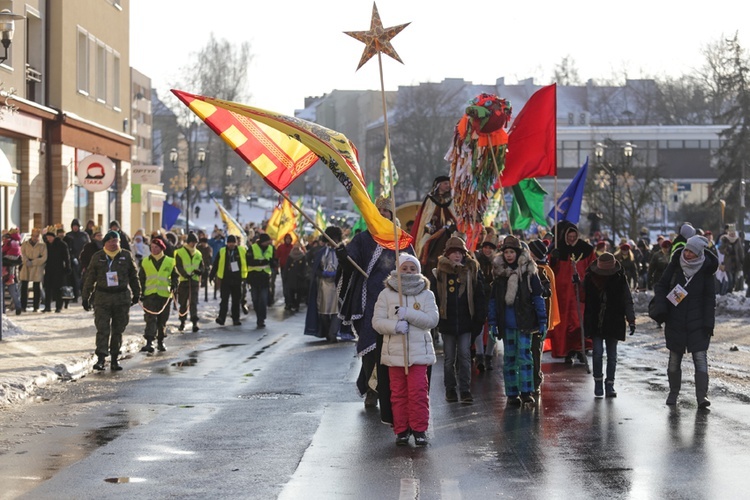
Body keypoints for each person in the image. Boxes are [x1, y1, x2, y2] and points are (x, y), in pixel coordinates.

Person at [337, 196, 415, 423]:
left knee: (394, 348)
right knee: (370, 347)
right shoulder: (363, 238)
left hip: (396, 299)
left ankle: (393, 392)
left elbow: (413, 266)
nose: (382, 214)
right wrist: (343, 257)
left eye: (386, 212)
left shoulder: (401, 239)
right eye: (378, 211)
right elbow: (351, 261)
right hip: (368, 300)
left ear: (393, 215)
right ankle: (372, 389)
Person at [372, 254, 439, 446]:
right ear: (397, 270)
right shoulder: (386, 294)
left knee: (418, 392)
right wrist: (395, 326)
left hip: (419, 354)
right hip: (394, 354)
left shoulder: (427, 294)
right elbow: (377, 322)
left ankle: (419, 429)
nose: (408, 272)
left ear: (418, 271)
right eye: (405, 268)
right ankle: (401, 430)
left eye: (412, 268)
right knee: (398, 393)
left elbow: (432, 321)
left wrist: (409, 314)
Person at [652, 235, 717, 408]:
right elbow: (661, 286)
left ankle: (702, 397)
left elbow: (710, 299)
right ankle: (673, 393)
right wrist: (662, 309)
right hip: (675, 320)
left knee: (700, 359)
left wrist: (709, 323)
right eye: (686, 250)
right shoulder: (674, 266)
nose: (687, 254)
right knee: (674, 360)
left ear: (698, 254)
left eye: (691, 252)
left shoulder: (706, 271)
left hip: (699, 323)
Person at [488, 235, 546, 405]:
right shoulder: (499, 274)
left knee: (525, 356)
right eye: (506, 252)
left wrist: (542, 321)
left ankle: (526, 391)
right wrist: (492, 323)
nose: (509, 255)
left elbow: (537, 296)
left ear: (518, 252)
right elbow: (493, 301)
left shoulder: (529, 272)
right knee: (510, 358)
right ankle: (512, 393)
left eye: (512, 251)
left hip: (525, 321)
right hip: (506, 323)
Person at [434, 235, 486, 404]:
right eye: (453, 252)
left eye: (460, 252)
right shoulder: (440, 272)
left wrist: (478, 319)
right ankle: (450, 389)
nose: (457, 256)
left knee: (464, 356)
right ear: (447, 254)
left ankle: (465, 390)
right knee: (449, 358)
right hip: (447, 322)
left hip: (466, 322)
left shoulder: (472, 271)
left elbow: (479, 295)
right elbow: (434, 297)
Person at [81, 231, 140, 371]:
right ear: (105, 243)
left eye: (116, 241)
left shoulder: (126, 256)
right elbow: (90, 278)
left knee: (118, 329)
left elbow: (133, 276)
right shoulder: (98, 257)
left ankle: (114, 358)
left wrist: (137, 293)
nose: (114, 244)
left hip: (121, 298)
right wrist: (85, 296)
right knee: (102, 329)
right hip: (102, 298)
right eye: (111, 241)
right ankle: (101, 358)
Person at [582, 252, 636, 398]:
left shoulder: (619, 278)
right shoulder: (590, 278)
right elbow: (582, 297)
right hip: (595, 321)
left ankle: (610, 384)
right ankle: (598, 382)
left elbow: (627, 299)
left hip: (614, 320)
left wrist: (631, 319)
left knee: (612, 356)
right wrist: (577, 284)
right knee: (598, 353)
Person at [547, 222, 596, 363]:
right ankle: (567, 350)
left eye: (574, 236)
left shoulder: (586, 249)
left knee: (579, 321)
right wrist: (553, 258)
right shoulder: (558, 249)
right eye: (569, 236)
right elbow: (552, 270)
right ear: (565, 236)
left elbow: (592, 267)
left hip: (580, 292)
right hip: (563, 294)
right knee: (565, 322)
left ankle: (581, 348)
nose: (572, 239)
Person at [527, 239, 560, 396]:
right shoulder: (526, 268)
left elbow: (548, 297)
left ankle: (535, 380)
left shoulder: (543, 271)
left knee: (535, 351)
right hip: (525, 317)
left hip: (538, 318)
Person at [304, 226, 342, 341]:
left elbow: (347, 267)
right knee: (323, 312)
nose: (333, 241)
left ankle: (333, 333)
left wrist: (338, 273)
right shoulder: (320, 252)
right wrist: (322, 273)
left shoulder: (342, 251)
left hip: (338, 285)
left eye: (335, 239)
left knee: (337, 310)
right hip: (323, 285)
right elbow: (314, 268)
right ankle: (326, 330)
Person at [139, 238, 176, 353]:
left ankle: (160, 341)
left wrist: (175, 285)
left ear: (161, 248)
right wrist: (140, 292)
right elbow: (141, 278)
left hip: (164, 294)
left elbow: (175, 276)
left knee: (162, 319)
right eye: (152, 247)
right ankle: (149, 342)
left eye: (156, 247)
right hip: (150, 295)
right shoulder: (145, 261)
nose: (153, 250)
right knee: (150, 318)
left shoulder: (170, 261)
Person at [209, 234, 247, 326]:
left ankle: (236, 319)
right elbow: (216, 264)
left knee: (236, 300)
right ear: (227, 243)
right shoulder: (222, 251)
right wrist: (211, 276)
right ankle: (221, 318)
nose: (231, 244)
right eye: (230, 243)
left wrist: (247, 277)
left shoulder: (241, 250)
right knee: (224, 300)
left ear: (236, 243)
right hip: (225, 279)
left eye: (233, 243)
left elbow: (248, 262)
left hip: (237, 279)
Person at [473, 233, 498, 372]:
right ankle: (479, 355)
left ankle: (488, 355)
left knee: (492, 327)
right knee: (479, 326)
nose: (487, 250)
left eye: (490, 248)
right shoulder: (476, 260)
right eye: (485, 247)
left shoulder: (498, 263)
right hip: (480, 298)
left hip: (493, 298)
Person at [174, 232, 203, 332]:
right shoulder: (180, 252)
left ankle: (194, 322)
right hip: (183, 281)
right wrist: (185, 274)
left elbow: (201, 266)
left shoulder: (198, 253)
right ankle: (182, 322)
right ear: (188, 242)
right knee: (183, 303)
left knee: (193, 302)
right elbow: (178, 266)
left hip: (194, 281)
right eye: (192, 242)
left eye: (195, 243)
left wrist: (199, 271)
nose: (194, 244)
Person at [247, 233, 276, 329]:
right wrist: (260, 262)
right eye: (267, 242)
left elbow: (274, 261)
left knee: (263, 299)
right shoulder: (253, 248)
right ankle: (258, 315)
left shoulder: (271, 248)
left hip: (264, 278)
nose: (268, 244)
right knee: (255, 299)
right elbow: (249, 261)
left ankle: (261, 319)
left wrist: (272, 263)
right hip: (254, 277)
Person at [43, 229, 71, 313]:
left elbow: (67, 257)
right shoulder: (46, 245)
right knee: (47, 288)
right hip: (48, 269)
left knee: (58, 288)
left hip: (59, 269)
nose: (49, 239)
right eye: (47, 237)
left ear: (54, 237)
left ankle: (58, 306)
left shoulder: (62, 244)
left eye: (50, 237)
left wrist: (67, 267)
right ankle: (47, 306)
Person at [20, 228, 47, 312]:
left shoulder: (42, 245)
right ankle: (23, 306)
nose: (35, 238)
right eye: (33, 236)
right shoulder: (25, 244)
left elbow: (44, 257)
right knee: (24, 286)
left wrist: (34, 262)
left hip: (37, 267)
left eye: (36, 236)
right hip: (26, 267)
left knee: (36, 287)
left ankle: (36, 306)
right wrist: (26, 261)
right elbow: (21, 253)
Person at [65, 219, 90, 300]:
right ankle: (75, 295)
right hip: (73, 259)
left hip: (83, 259)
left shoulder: (84, 235)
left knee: (84, 278)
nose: (75, 228)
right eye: (73, 226)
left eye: (76, 226)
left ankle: (84, 294)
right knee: (75, 279)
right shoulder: (69, 235)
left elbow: (88, 245)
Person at [719, 224, 744, 293]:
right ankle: (728, 292)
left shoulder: (737, 240)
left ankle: (731, 291)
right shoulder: (724, 239)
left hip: (736, 263)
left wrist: (742, 261)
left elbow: (740, 251)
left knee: (734, 280)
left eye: (733, 233)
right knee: (730, 279)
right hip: (728, 263)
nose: (732, 234)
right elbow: (720, 249)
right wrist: (726, 250)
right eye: (731, 233)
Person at [2, 230, 22, 315]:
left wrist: (4, 259)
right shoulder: (4, 246)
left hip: (11, 274)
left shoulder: (13, 245)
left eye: (5, 238)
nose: (4, 240)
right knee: (2, 293)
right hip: (3, 274)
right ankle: (2, 311)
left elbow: (16, 260)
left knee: (13, 293)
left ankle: (18, 308)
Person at [283, 242, 307, 312]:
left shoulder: (302, 256)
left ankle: (297, 305)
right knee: (291, 291)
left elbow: (304, 267)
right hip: (291, 276)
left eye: (297, 249)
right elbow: (287, 266)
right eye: (295, 249)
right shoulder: (290, 256)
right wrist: (285, 275)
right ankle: (292, 303)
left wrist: (303, 275)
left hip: (300, 277)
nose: (296, 251)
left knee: (299, 292)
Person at [276, 233, 295, 310]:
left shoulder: (293, 247)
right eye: (287, 239)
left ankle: (291, 301)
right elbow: (277, 257)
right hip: (284, 268)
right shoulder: (281, 247)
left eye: (289, 239)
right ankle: (287, 301)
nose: (288, 240)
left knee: (291, 286)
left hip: (292, 268)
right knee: (285, 286)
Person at [196, 232, 213, 302]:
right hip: (199, 267)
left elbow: (210, 258)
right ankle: (196, 298)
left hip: (206, 267)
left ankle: (206, 297)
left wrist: (209, 265)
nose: (203, 244)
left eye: (204, 243)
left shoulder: (209, 248)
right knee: (198, 283)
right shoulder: (198, 248)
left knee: (205, 282)